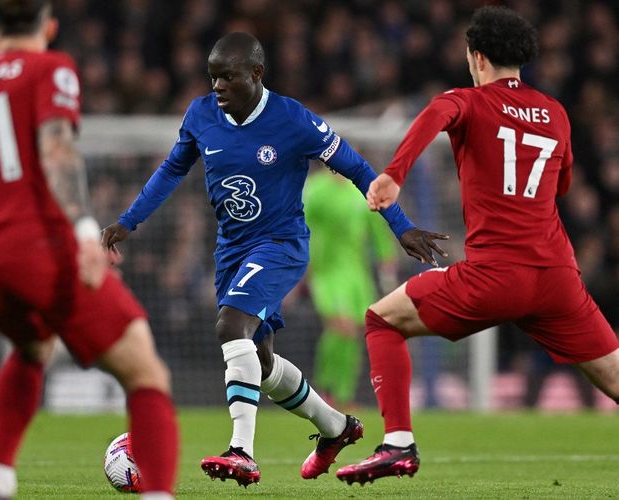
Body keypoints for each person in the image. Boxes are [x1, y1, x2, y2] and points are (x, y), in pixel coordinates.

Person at [102, 31, 447, 486]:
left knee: (230, 325)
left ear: (257, 74)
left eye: (228, 77)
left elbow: (359, 169)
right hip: (231, 249)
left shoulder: (293, 120)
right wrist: (129, 220)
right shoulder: (201, 115)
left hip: (281, 244)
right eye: (213, 78)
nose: (218, 87)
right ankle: (337, 428)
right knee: (260, 362)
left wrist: (401, 227)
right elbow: (172, 169)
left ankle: (241, 450)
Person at [336, 6, 619, 486]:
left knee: (381, 320)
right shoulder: (556, 112)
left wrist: (393, 174)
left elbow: (434, 114)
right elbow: (563, 185)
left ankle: (398, 444)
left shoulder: (466, 100)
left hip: (495, 277)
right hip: (556, 279)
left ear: (477, 56)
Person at [0, 2, 178, 499]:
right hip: (35, 250)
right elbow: (58, 147)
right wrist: (87, 231)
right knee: (145, 370)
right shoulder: (50, 67)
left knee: (32, 345)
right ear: (50, 27)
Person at [303, 170, 398, 410]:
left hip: (357, 274)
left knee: (355, 332)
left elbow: (376, 228)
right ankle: (324, 389)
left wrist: (386, 256)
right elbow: (300, 223)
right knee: (340, 326)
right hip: (327, 272)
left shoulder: (362, 191)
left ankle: (342, 396)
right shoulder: (315, 189)